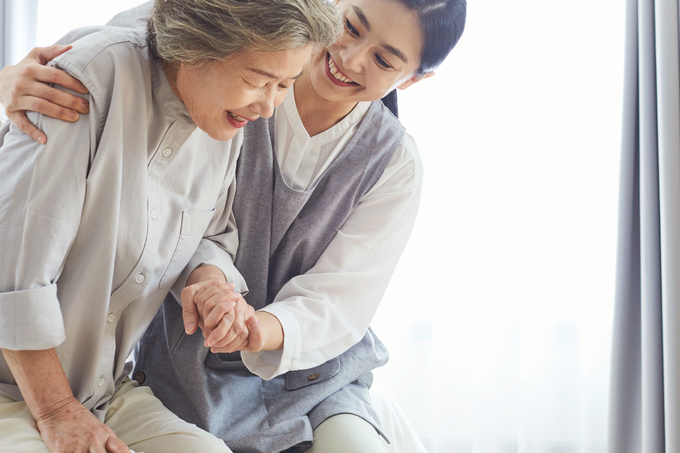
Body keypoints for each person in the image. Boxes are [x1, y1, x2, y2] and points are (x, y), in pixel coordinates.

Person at [0, 0, 467, 451]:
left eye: (384, 60)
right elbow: (165, 29)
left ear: (414, 78)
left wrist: (239, 311)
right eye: (351, 27)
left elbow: (334, 299)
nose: (349, 57)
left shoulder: (381, 157)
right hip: (178, 361)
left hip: (308, 375)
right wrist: (14, 79)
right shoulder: (226, 75)